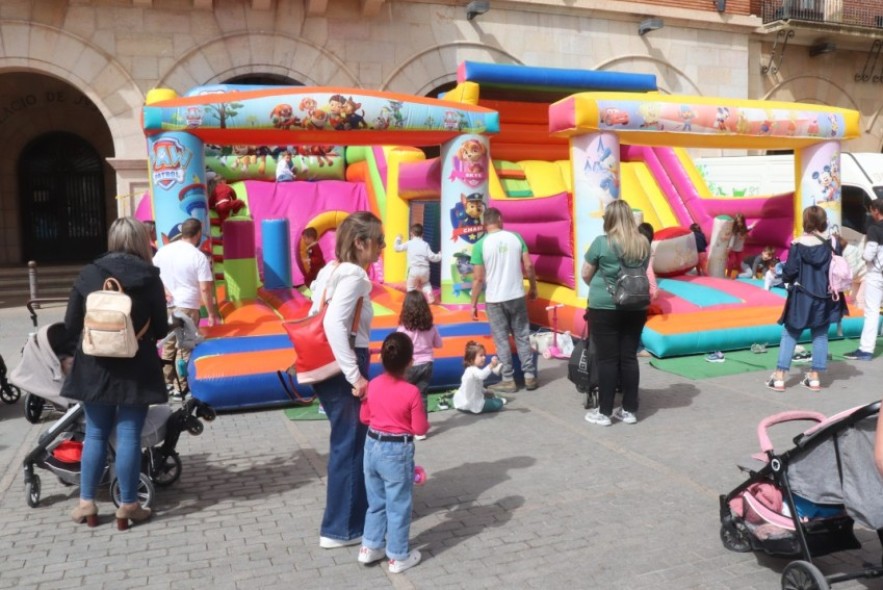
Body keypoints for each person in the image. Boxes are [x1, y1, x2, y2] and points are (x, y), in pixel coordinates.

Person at [59, 217, 169, 529]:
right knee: (130, 434)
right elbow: (160, 328)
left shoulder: (89, 273)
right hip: (137, 366)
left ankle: (87, 504)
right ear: (139, 241)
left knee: (94, 432)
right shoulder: (149, 277)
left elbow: (70, 324)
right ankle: (129, 505)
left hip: (95, 365)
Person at [308, 211, 384, 549]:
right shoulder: (354, 275)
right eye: (378, 241)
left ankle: (354, 515)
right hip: (346, 365)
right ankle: (343, 528)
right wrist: (355, 375)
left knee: (347, 442)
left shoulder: (330, 271)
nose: (382, 248)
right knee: (351, 445)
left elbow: (315, 315)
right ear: (360, 242)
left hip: (330, 365)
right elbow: (332, 325)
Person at [357, 332, 428, 573]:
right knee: (398, 505)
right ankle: (397, 556)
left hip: (372, 446)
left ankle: (370, 546)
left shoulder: (373, 384)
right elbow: (419, 428)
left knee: (375, 501)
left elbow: (364, 417)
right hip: (397, 450)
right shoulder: (411, 392)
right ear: (410, 362)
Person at [581, 200, 651, 426]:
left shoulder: (602, 243)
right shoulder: (643, 243)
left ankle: (604, 412)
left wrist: (602, 286)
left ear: (609, 219)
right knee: (629, 357)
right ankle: (629, 410)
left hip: (604, 306)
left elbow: (585, 273)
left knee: (607, 359)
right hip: (636, 306)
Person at [767, 206, 844, 392]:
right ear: (824, 221)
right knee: (820, 334)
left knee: (790, 333)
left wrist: (780, 272)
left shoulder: (798, 244)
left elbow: (790, 271)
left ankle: (779, 376)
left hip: (802, 295)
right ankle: (815, 377)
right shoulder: (832, 242)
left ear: (805, 221)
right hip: (826, 295)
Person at [469, 207, 538, 394]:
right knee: (522, 335)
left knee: (501, 339)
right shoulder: (516, 238)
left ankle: (508, 379)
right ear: (500, 219)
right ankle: (530, 376)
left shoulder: (479, 245)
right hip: (516, 295)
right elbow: (529, 266)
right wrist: (533, 287)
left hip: (495, 299)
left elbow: (478, 279)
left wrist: (473, 304)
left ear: (485, 223)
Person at [152, 218, 222, 396]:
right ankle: (181, 387)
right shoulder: (197, 256)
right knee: (183, 348)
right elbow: (205, 288)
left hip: (167, 305)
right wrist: (212, 314)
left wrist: (165, 291)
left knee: (168, 346)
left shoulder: (163, 251)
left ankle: (166, 382)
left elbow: (153, 275)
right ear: (198, 234)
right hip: (187, 307)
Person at [396, 290, 442, 432]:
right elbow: (439, 344)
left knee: (405, 396)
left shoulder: (403, 329)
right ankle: (420, 429)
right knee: (422, 396)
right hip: (427, 364)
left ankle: (405, 424)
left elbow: (398, 346)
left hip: (409, 365)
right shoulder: (431, 327)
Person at [845, 199, 883, 361]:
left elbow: (869, 254)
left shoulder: (874, 229)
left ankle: (866, 349)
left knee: (872, 311)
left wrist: (862, 255)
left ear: (875, 210)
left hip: (876, 273)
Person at [452, 340, 507, 413]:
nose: (484, 358)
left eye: (484, 355)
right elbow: (482, 375)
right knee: (499, 403)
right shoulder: (473, 370)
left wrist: (485, 391)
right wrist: (491, 365)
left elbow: (476, 386)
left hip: (462, 403)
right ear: (471, 359)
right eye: (481, 355)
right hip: (473, 404)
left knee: (487, 395)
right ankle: (495, 401)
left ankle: (489, 399)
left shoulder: (469, 370)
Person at [394, 224, 441, 303]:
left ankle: (412, 301)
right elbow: (432, 257)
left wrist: (398, 238)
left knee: (411, 286)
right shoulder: (425, 244)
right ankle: (429, 294)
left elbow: (397, 248)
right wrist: (440, 255)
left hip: (414, 269)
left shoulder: (409, 243)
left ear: (411, 233)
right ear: (422, 234)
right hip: (425, 270)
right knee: (425, 283)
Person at [726, 213, 754, 278]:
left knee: (740, 262)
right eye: (738, 222)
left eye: (740, 222)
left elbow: (748, 228)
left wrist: (752, 226)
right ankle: (728, 274)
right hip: (732, 249)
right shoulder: (734, 231)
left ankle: (740, 274)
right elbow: (731, 240)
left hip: (739, 249)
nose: (739, 224)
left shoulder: (744, 230)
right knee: (732, 260)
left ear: (743, 222)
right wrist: (729, 248)